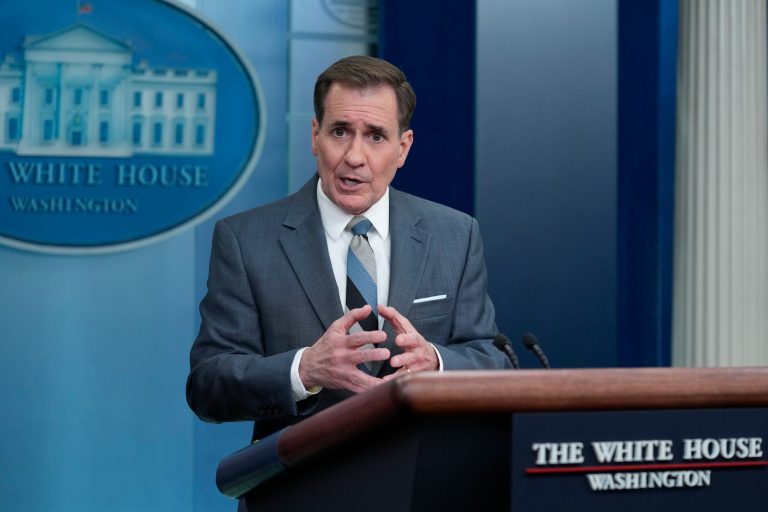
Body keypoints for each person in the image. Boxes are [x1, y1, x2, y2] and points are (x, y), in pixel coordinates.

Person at [186, 55, 510, 439]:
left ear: (403, 148)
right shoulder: (245, 240)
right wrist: (304, 369)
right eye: (340, 131)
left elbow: (493, 361)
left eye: (375, 135)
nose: (354, 156)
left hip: (424, 484)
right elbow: (208, 385)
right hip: (299, 486)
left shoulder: (455, 234)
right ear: (314, 136)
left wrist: (436, 363)